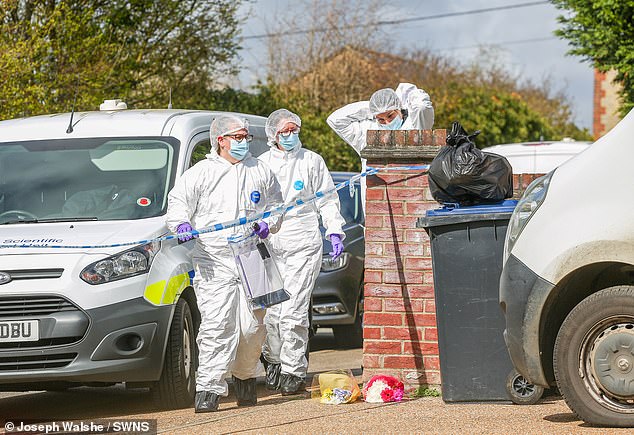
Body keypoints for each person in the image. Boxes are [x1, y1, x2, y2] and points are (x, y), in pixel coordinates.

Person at [166, 115, 284, 413]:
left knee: (252, 328)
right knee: (218, 326)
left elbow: (276, 206)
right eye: (239, 137)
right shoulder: (200, 174)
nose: (246, 142)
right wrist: (180, 225)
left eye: (247, 137)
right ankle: (209, 388)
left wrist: (268, 223)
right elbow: (178, 204)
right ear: (221, 140)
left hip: (253, 255)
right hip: (213, 260)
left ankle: (244, 376)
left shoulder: (261, 170)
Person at [258, 109, 346, 395]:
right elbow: (254, 202)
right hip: (271, 243)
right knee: (272, 313)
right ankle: (273, 358)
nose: (290, 135)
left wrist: (334, 229)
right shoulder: (261, 164)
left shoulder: (311, 161)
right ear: (273, 134)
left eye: (294, 129)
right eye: (284, 131)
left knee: (293, 312)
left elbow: (328, 198)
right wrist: (258, 225)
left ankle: (293, 370)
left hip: (305, 241)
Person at [326, 82, 434, 207]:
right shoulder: (367, 132)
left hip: (413, 204)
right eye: (381, 119)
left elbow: (422, 107)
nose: (387, 122)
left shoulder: (415, 126)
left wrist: (401, 101)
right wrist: (373, 108)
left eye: (390, 116)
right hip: (376, 210)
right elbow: (335, 120)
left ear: (399, 109)